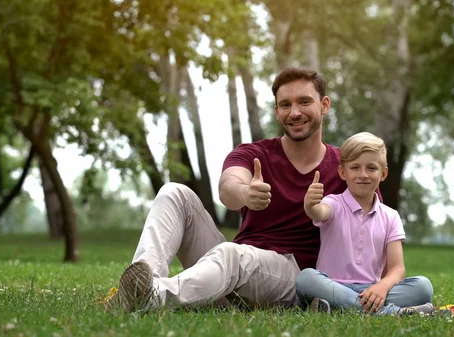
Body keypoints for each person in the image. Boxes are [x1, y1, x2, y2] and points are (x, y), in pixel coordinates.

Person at [105, 67, 383, 312]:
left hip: (294, 276)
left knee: (231, 255)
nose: (294, 112)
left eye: (304, 102)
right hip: (236, 269)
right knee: (174, 192)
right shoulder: (253, 153)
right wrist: (246, 193)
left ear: (324, 105)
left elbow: (372, 232)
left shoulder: (347, 168)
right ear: (276, 111)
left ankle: (152, 297)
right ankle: (142, 283)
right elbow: (228, 187)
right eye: (285, 104)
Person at [295, 132, 434, 315]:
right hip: (333, 286)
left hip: (372, 290)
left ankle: (340, 307)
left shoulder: (390, 216)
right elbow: (318, 212)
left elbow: (397, 268)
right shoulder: (334, 204)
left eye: (371, 168)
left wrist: (382, 287)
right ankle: (393, 313)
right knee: (306, 279)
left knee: (423, 287)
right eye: (355, 168)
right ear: (342, 173)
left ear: (383, 173)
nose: (363, 175)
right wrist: (310, 204)